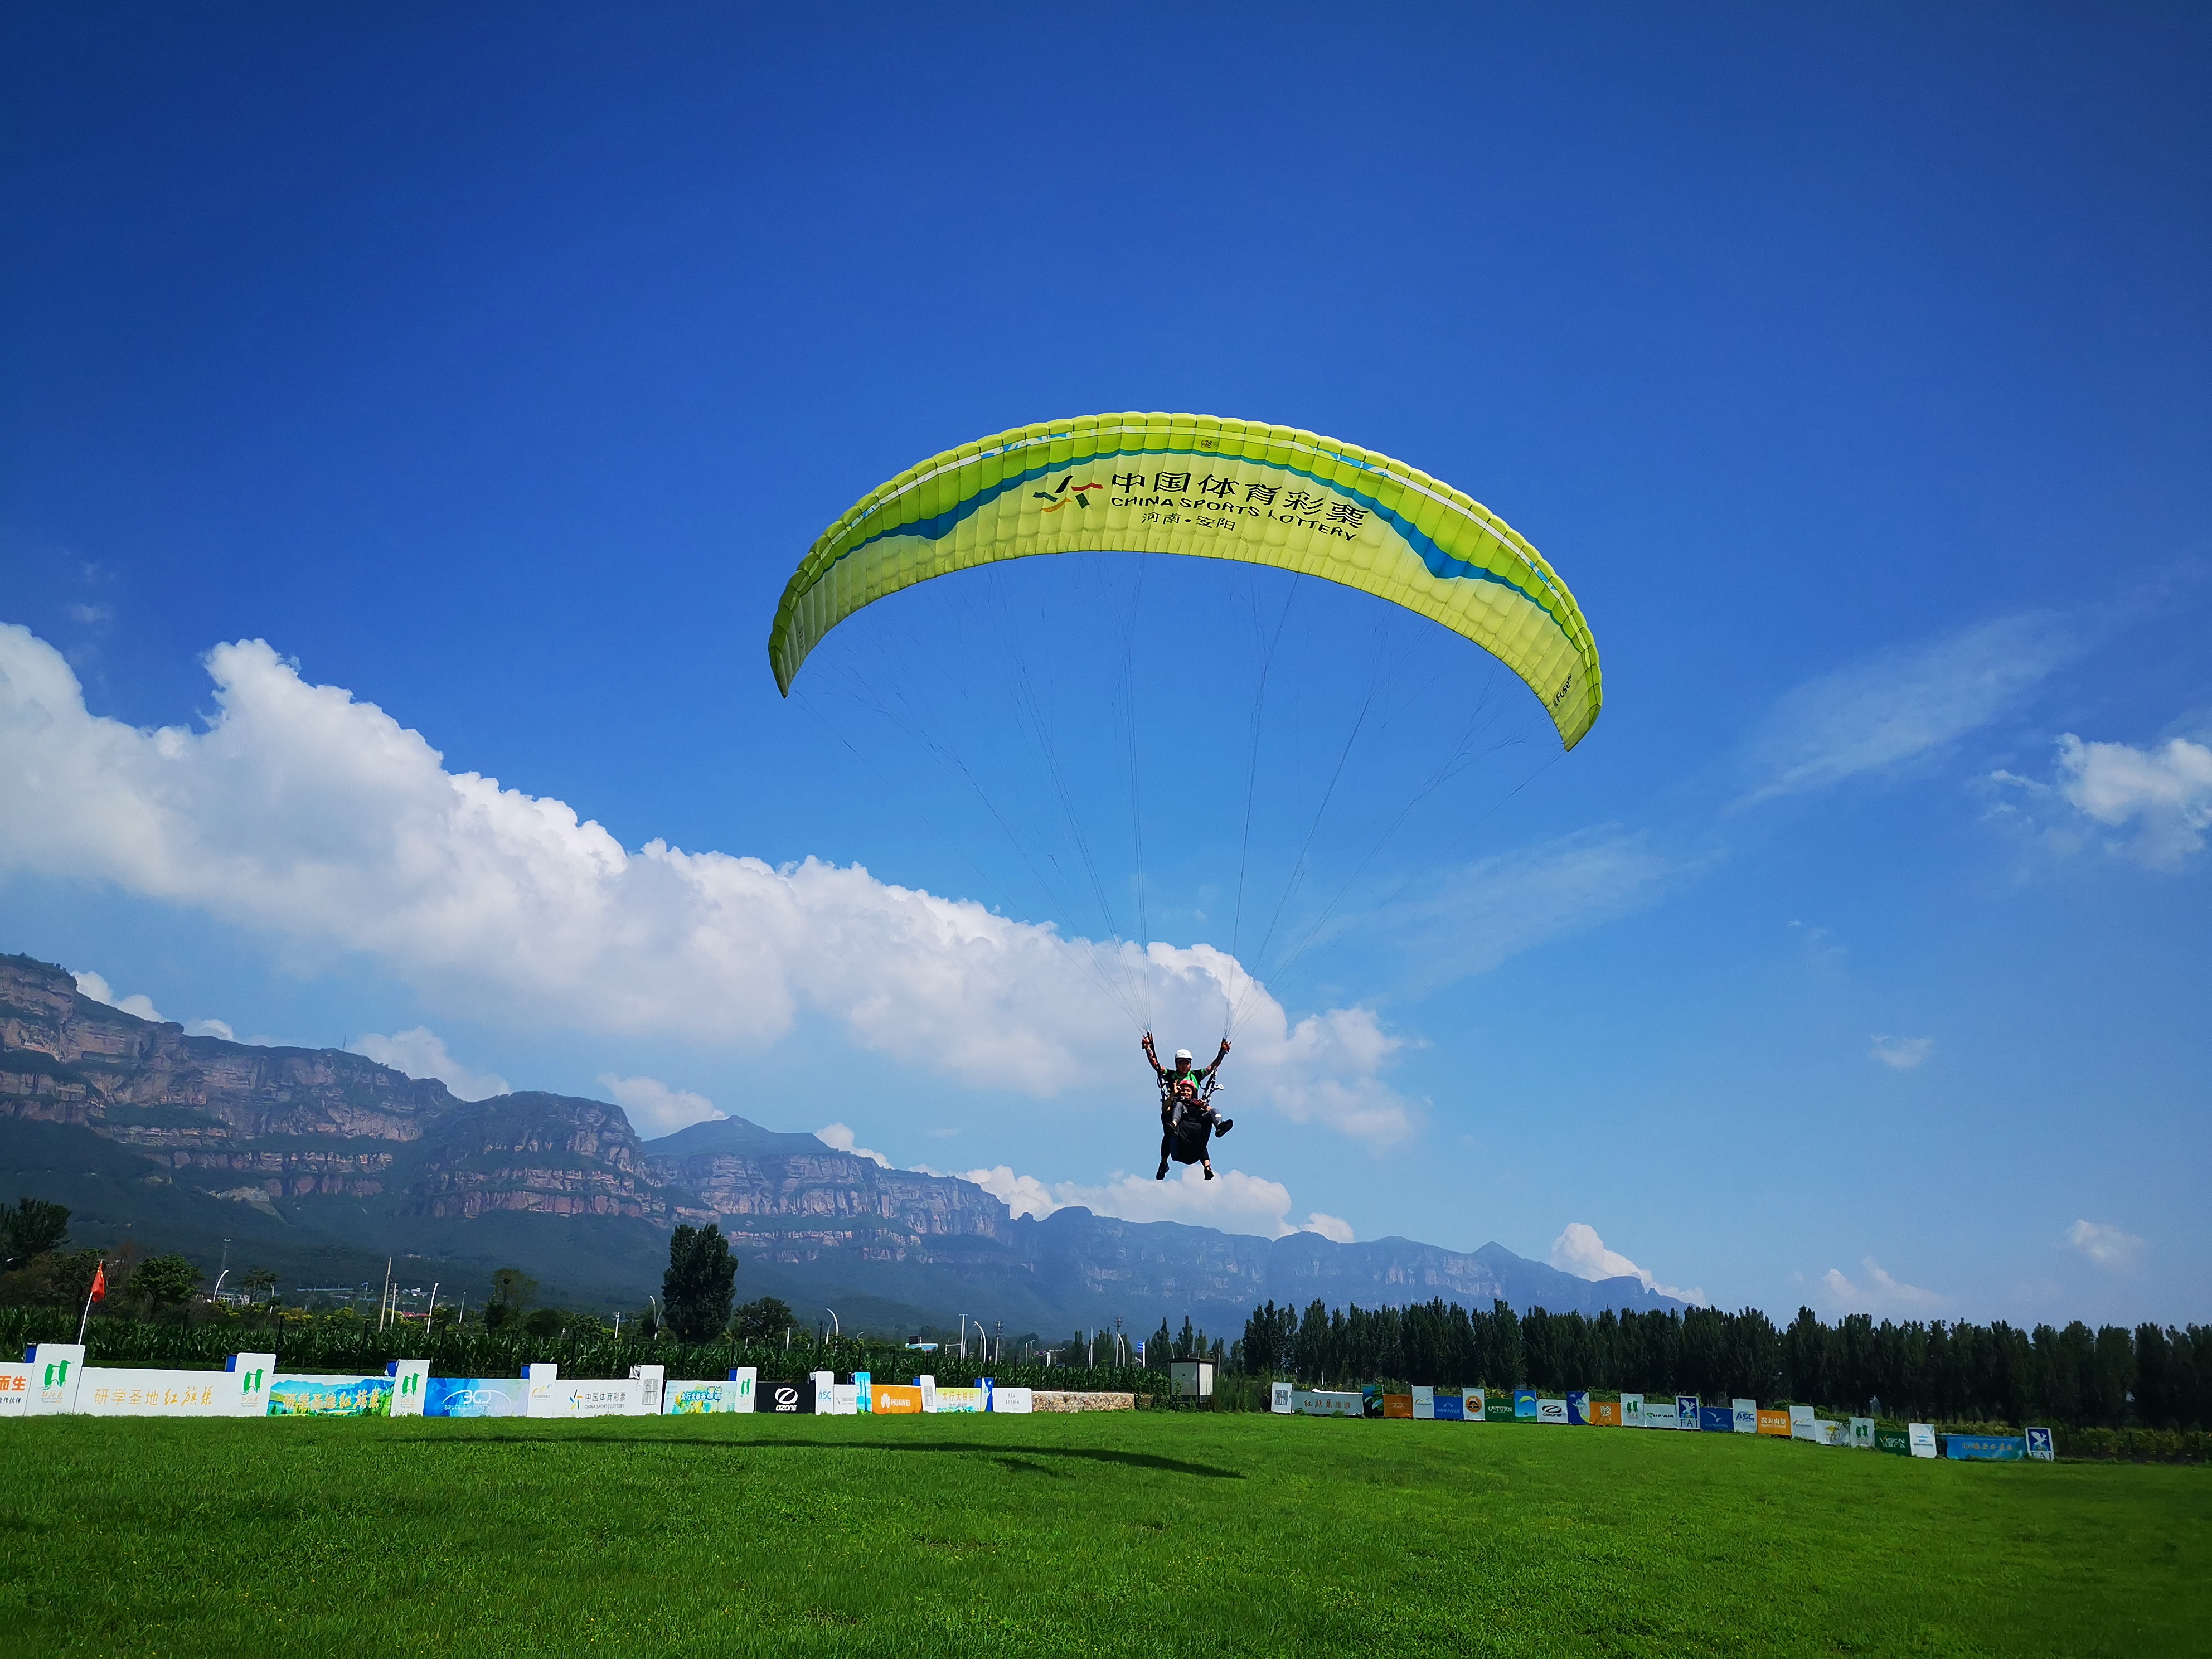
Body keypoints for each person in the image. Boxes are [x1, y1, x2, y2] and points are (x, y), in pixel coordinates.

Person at [1142, 1034, 1232, 1181]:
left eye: (1187, 1063)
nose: (1185, 1066)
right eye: (1182, 1063)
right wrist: (1148, 1048)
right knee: (1170, 1131)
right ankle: (1164, 1160)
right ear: (1176, 1064)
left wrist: (1222, 1052)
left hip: (1194, 1111)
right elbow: (1156, 1066)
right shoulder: (1171, 1075)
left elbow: (1212, 1067)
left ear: (1190, 1064)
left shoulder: (1196, 1075)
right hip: (1177, 1109)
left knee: (1203, 1128)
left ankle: (1220, 1127)